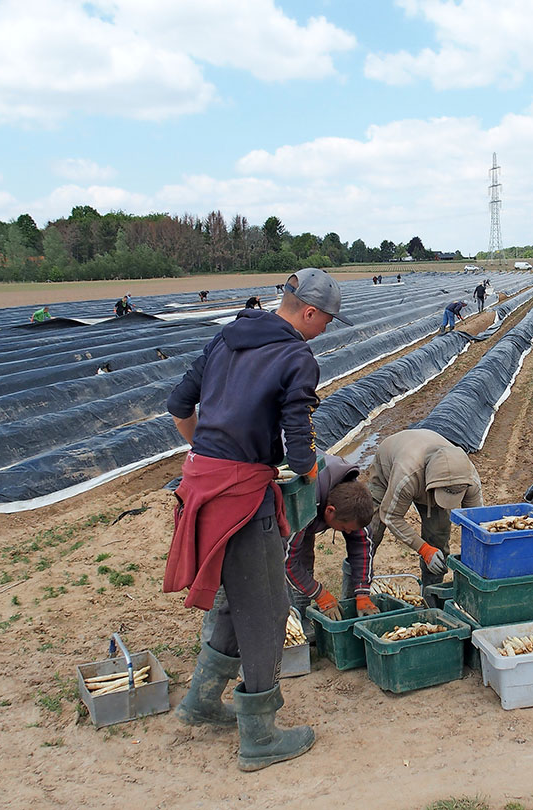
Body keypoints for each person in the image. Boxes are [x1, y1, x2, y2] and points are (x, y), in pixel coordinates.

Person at [163, 267, 351, 771]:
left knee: (234, 596)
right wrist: (310, 471)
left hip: (200, 485)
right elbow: (298, 442)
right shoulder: (296, 355)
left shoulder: (228, 337)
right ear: (308, 312)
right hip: (242, 497)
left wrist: (209, 450)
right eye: (326, 320)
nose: (326, 329)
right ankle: (260, 737)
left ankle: (202, 701)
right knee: (267, 610)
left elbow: (179, 404)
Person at [363, 429, 482, 594]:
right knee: (369, 534)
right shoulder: (406, 475)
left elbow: (477, 523)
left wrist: (478, 561)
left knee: (438, 538)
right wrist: (424, 549)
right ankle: (357, 590)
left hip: (429, 473)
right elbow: (391, 517)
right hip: (389, 464)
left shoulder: (469, 479)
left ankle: (431, 595)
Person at [286, 453, 376, 636]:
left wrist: (363, 591)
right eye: (344, 528)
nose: (347, 533)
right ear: (330, 511)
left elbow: (362, 544)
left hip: (310, 503)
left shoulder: (351, 498)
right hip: (270, 498)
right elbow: (287, 561)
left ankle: (302, 617)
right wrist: (320, 595)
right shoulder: (304, 501)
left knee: (305, 557)